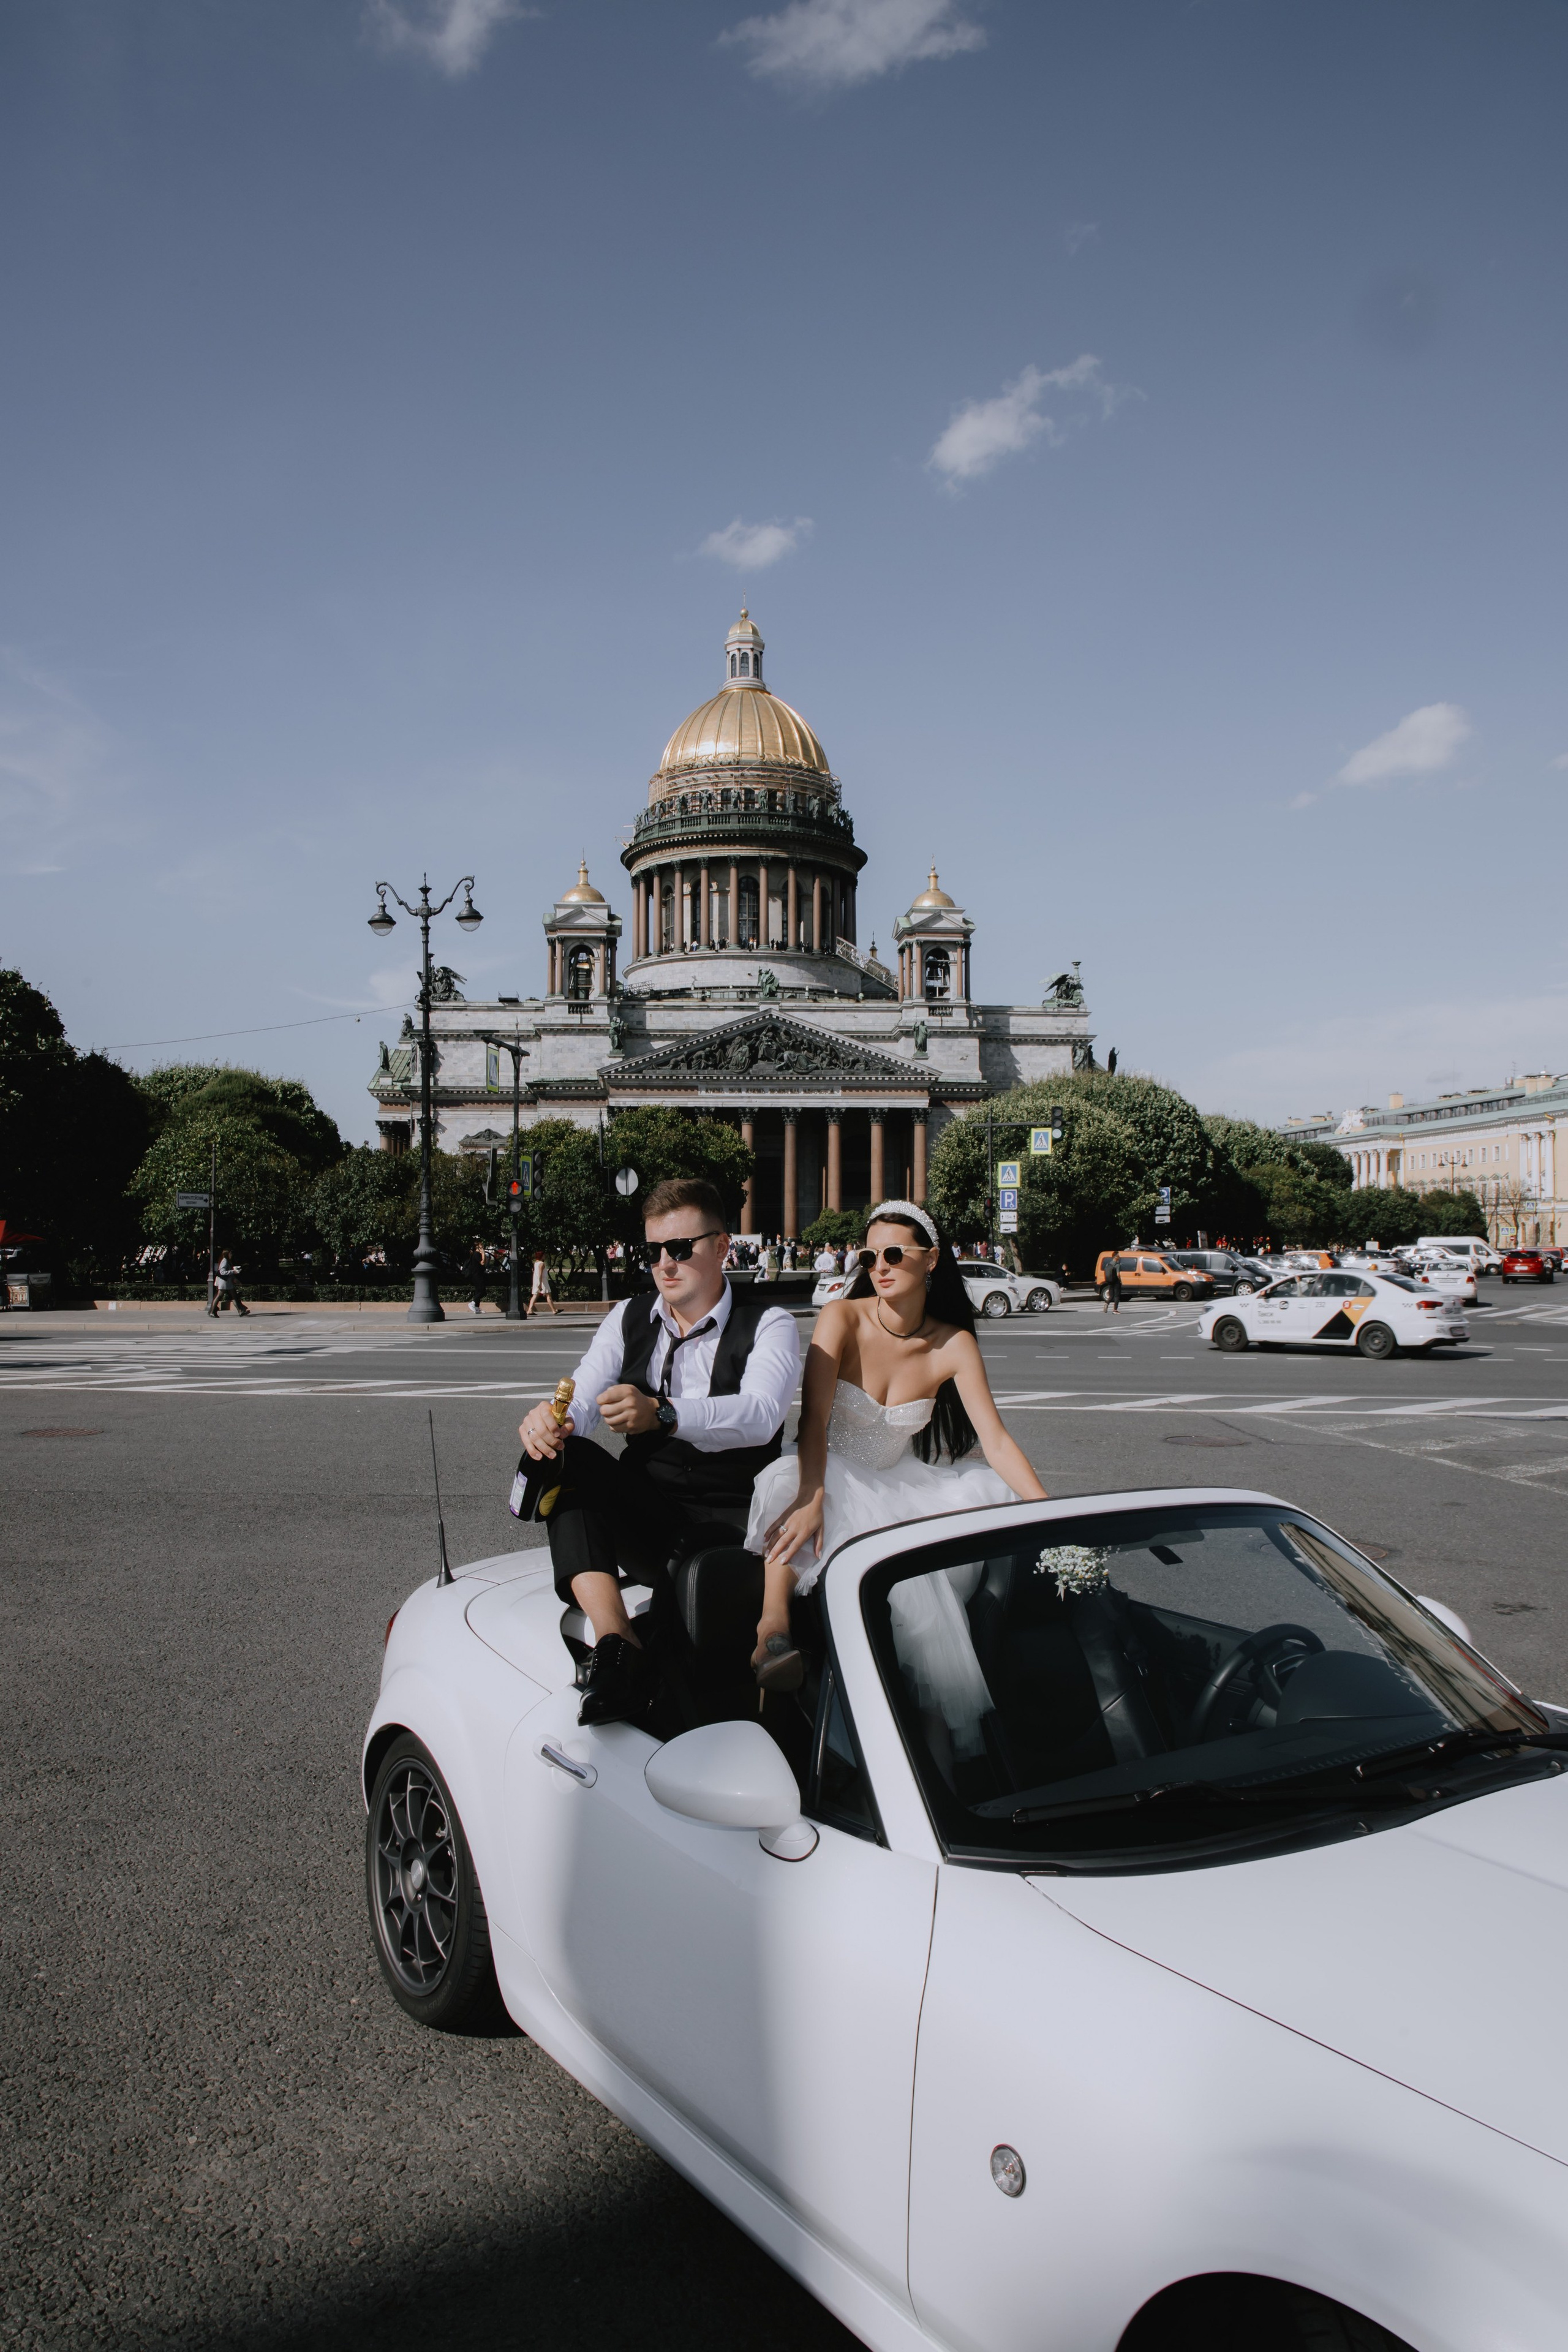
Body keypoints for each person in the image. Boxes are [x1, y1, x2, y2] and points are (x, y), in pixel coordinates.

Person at [517, 1178, 801, 1728]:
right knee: (567, 1456)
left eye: (680, 1249)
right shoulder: (629, 1316)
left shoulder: (770, 1324)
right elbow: (585, 1394)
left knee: (700, 1680)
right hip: (649, 1514)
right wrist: (552, 1423)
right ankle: (616, 1642)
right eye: (653, 1252)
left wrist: (664, 1413)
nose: (665, 1265)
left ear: (722, 1247)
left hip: (733, 1520)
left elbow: (761, 1413)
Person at [746, 1199, 1047, 1695]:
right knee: (788, 1486)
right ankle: (772, 1632)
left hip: (900, 1486)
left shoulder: (954, 1344)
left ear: (930, 1259)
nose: (879, 1267)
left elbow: (995, 1441)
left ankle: (919, 1730)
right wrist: (813, 1494)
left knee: (929, 1611)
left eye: (893, 1255)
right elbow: (814, 1420)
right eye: (869, 1258)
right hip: (829, 1466)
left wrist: (1049, 1513)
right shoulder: (842, 1317)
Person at [212, 1250, 250, 1317]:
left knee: (234, 1297)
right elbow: (222, 1272)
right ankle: (212, 1312)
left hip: (228, 1283)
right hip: (224, 1283)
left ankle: (240, 1311)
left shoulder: (227, 1261)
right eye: (231, 1253)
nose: (232, 1255)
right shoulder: (225, 1261)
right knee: (219, 1296)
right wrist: (233, 1271)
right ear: (227, 1254)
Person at [526, 1247, 559, 1318]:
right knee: (548, 1296)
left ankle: (530, 1310)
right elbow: (540, 1274)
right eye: (544, 1255)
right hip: (543, 1282)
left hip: (537, 1281)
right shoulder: (542, 1264)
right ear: (541, 1256)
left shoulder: (536, 1263)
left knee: (535, 1295)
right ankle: (554, 1310)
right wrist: (540, 1284)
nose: (545, 1256)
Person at [1102, 1250, 1123, 1314]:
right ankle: (1115, 1310)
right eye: (1118, 1256)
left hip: (1110, 1281)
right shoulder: (1117, 1265)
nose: (1119, 1257)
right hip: (1116, 1282)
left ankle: (1106, 1303)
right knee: (1117, 1296)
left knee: (1111, 1295)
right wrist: (1120, 1281)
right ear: (1116, 1257)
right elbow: (1118, 1275)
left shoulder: (1108, 1264)